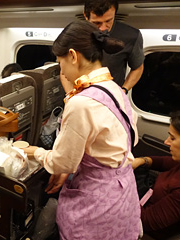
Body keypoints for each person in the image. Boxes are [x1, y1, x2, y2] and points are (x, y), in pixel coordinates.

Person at [23, 20, 140, 239]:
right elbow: (129, 140)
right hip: (122, 196)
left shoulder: (81, 103)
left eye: (60, 63)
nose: (62, 72)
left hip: (96, 207)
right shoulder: (115, 89)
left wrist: (34, 152)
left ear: (73, 56)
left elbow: (61, 162)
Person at [132, 111, 180, 239]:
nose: (166, 142)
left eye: (173, 138)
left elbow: (147, 221)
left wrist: (123, 193)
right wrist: (143, 160)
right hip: (146, 199)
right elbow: (165, 162)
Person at [84, 0, 144, 94]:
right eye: (96, 23)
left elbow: (137, 68)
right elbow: (64, 70)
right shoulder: (75, 34)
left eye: (108, 21)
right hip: (81, 96)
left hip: (111, 97)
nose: (103, 28)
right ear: (85, 16)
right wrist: (70, 96)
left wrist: (123, 90)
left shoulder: (131, 36)